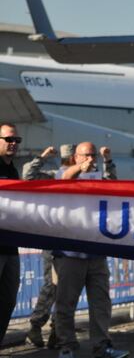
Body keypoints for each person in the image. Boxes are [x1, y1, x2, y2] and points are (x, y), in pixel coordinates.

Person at [53, 142, 128, 358]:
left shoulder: (98, 178)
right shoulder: (64, 172)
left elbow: (115, 186)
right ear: (76, 157)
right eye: (86, 156)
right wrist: (79, 169)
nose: (90, 160)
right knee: (66, 302)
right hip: (70, 253)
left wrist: (108, 161)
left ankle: (102, 345)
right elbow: (65, 178)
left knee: (101, 303)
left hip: (95, 252)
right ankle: (66, 345)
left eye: (93, 156)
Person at [23, 144, 76, 349]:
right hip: (54, 239)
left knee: (67, 290)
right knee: (52, 287)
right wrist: (41, 157)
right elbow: (28, 176)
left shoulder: (83, 180)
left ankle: (57, 330)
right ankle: (37, 326)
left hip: (73, 240)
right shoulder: (53, 177)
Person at [0, 123, 22, 347]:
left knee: (8, 301)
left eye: (17, 140)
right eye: (8, 139)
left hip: (11, 247)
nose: (13, 144)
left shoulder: (13, 170)